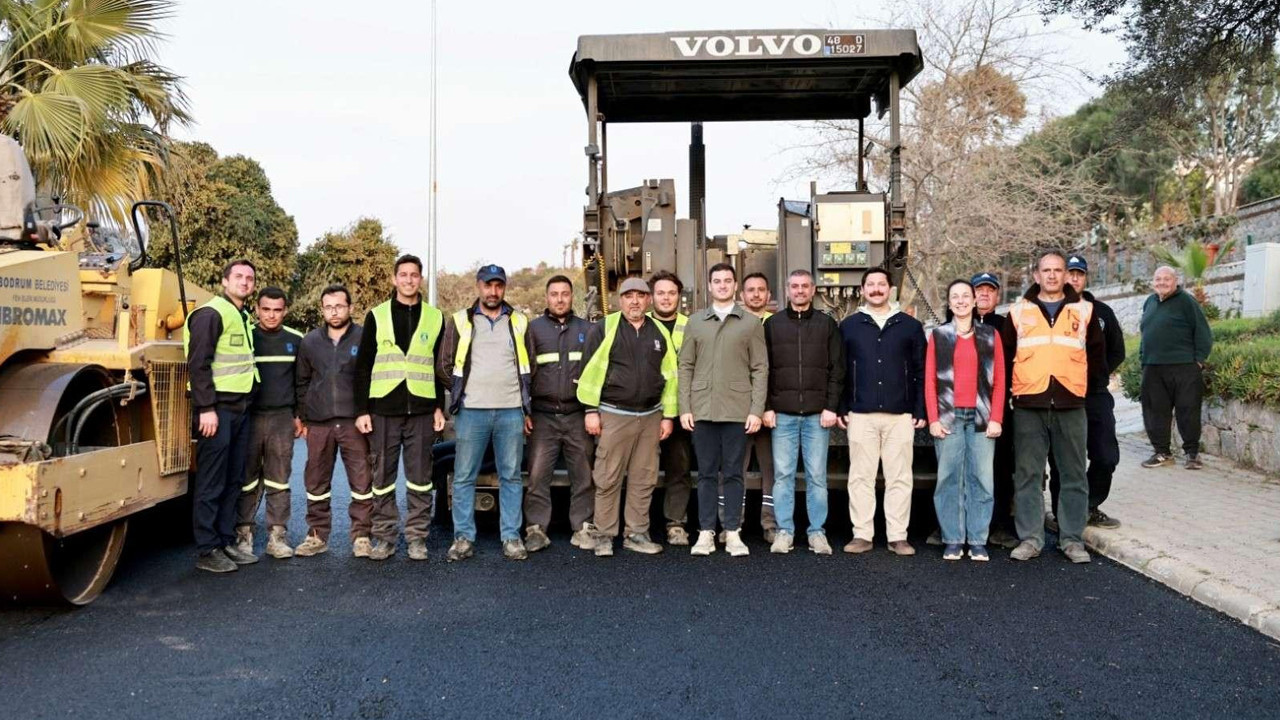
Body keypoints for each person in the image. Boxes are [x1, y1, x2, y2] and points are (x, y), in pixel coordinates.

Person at [999, 250, 1106, 564]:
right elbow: (1005, 360)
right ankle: (1031, 539)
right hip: (1028, 404)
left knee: (1073, 475)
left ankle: (1072, 540)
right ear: (1036, 275)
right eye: (1046, 270)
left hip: (1071, 404)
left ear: (1066, 274)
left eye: (1058, 270)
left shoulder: (1084, 311)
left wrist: (1086, 392)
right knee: (1028, 475)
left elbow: (1098, 358)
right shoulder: (1018, 313)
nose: (1052, 275)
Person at [354, 255, 448, 561]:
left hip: (421, 410)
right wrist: (362, 410)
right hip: (383, 410)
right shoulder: (376, 315)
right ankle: (384, 537)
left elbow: (437, 367)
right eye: (403, 275)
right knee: (382, 478)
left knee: (421, 477)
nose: (408, 280)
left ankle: (417, 538)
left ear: (420, 279)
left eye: (414, 275)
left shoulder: (435, 317)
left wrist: (438, 408)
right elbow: (363, 366)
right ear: (394, 279)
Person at [577, 277, 676, 556]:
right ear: (620, 300)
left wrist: (668, 416)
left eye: (640, 296)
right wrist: (590, 410)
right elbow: (588, 371)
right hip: (613, 414)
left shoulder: (659, 332)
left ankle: (636, 534)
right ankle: (605, 535)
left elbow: (670, 377)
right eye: (629, 296)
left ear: (648, 300)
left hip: (650, 416)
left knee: (644, 478)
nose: (635, 301)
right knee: (608, 477)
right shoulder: (604, 328)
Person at [440, 264, 532, 562]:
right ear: (478, 286)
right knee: (464, 476)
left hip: (510, 411)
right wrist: (461, 394)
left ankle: (511, 537)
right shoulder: (460, 320)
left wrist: (524, 403)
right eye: (487, 285)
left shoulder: (519, 321)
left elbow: (531, 366)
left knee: (511, 476)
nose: (493, 291)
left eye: (498, 286)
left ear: (504, 288)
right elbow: (443, 364)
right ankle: (464, 538)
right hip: (472, 412)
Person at [679, 263, 769, 557]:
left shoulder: (750, 323)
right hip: (702, 409)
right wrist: (685, 407)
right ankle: (706, 532)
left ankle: (732, 532)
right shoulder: (695, 322)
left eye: (727, 281)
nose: (722, 285)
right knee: (705, 474)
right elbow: (686, 366)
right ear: (710, 286)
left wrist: (756, 410)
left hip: (736, 410)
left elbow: (760, 367)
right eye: (716, 281)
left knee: (733, 474)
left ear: (735, 286)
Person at [837, 268, 926, 556]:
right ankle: (862, 535)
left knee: (900, 477)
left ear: (890, 289)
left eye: (881, 284)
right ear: (863, 290)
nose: (876, 289)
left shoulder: (910, 327)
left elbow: (921, 370)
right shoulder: (849, 326)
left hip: (900, 415)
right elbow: (838, 370)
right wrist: (840, 406)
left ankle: (897, 536)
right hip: (860, 414)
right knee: (860, 477)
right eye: (871, 284)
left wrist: (919, 408)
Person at [184, 259, 261, 573]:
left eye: (250, 278)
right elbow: (199, 364)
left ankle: (225, 541)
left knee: (234, 480)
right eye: (238, 277)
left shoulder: (241, 316)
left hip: (239, 411)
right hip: (216, 413)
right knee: (212, 482)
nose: (244, 282)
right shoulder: (210, 314)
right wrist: (206, 409)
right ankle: (207, 549)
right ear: (225, 281)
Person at [762, 269, 844, 555]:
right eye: (794, 286)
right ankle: (785, 531)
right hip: (782, 414)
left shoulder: (826, 325)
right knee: (783, 475)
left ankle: (817, 532)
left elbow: (837, 370)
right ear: (787, 290)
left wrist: (831, 407)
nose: (799, 291)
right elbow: (764, 370)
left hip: (816, 415)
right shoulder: (772, 325)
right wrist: (767, 407)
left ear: (813, 290)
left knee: (816, 476)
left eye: (805, 286)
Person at [925, 280, 1006, 562]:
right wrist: (933, 419)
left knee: (982, 479)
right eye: (954, 297)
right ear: (949, 303)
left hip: (982, 418)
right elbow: (930, 381)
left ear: (974, 301)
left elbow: (1000, 380)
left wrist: (997, 417)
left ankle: (978, 540)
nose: (960, 301)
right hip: (949, 416)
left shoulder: (990, 335)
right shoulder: (938, 336)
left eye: (965, 296)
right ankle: (953, 539)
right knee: (948, 480)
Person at [1047, 255, 1125, 530]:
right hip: (1063, 395)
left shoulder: (1102, 313)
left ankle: (1089, 505)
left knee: (1105, 455)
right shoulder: (1050, 311)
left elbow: (1118, 351)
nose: (1075, 278)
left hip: (1095, 395)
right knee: (1061, 457)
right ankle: (1060, 512)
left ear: (1085, 277)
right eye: (1071, 273)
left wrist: (1098, 373)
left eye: (1080, 274)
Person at [296, 284, 373, 558]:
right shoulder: (310, 341)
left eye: (339, 306)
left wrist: (368, 413)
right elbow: (302, 382)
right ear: (322, 310)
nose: (334, 311)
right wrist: (302, 418)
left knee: (362, 482)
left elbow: (372, 379)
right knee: (316, 482)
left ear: (350, 307)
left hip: (355, 422)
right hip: (319, 423)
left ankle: (362, 536)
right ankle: (317, 536)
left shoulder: (365, 337)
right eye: (329, 307)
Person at [523, 275, 596, 552]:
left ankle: (583, 527)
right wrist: (524, 411)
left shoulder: (588, 330)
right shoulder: (533, 330)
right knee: (538, 475)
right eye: (554, 294)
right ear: (546, 298)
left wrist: (593, 410)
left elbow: (595, 373)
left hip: (577, 414)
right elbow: (524, 374)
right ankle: (536, 529)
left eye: (565, 294)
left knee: (583, 474)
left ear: (571, 297)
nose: (560, 299)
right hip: (543, 416)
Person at [233, 287, 303, 560]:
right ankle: (243, 535)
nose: (271, 315)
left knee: (279, 479)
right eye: (266, 309)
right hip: (248, 417)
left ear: (285, 311)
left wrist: (300, 416)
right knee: (246, 480)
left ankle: (277, 536)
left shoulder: (296, 340)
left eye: (277, 310)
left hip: (282, 419)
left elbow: (301, 382)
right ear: (257, 310)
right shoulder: (245, 338)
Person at [1138, 265, 1213, 470]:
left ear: (1175, 280)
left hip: (1184, 367)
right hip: (1153, 367)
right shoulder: (1150, 302)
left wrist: (1198, 360)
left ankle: (1192, 454)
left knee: (1188, 411)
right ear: (1153, 281)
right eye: (1158, 279)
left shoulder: (1186, 302)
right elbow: (1145, 333)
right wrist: (1143, 358)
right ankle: (1162, 453)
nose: (1162, 282)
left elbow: (1203, 333)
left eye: (1166, 279)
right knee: (1155, 411)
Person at [972, 271, 1018, 549]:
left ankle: (1000, 525)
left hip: (998, 408)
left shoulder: (1005, 326)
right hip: (963, 407)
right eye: (980, 290)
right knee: (964, 469)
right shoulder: (955, 325)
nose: (984, 295)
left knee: (1000, 468)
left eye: (990, 290)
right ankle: (957, 525)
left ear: (997, 296)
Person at [649, 271, 694, 545]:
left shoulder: (692, 326)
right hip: (646, 411)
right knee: (643, 470)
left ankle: (675, 523)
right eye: (661, 293)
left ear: (679, 296)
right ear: (652, 297)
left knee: (680, 468)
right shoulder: (639, 324)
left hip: (680, 410)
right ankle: (638, 525)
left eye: (671, 293)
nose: (666, 298)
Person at [738, 272, 777, 541]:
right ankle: (733, 523)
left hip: (769, 410)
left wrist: (767, 406)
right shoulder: (733, 324)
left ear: (769, 295)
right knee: (731, 470)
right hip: (738, 410)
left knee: (771, 470)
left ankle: (770, 523)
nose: (755, 294)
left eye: (760, 290)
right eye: (750, 290)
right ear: (742, 296)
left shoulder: (778, 325)